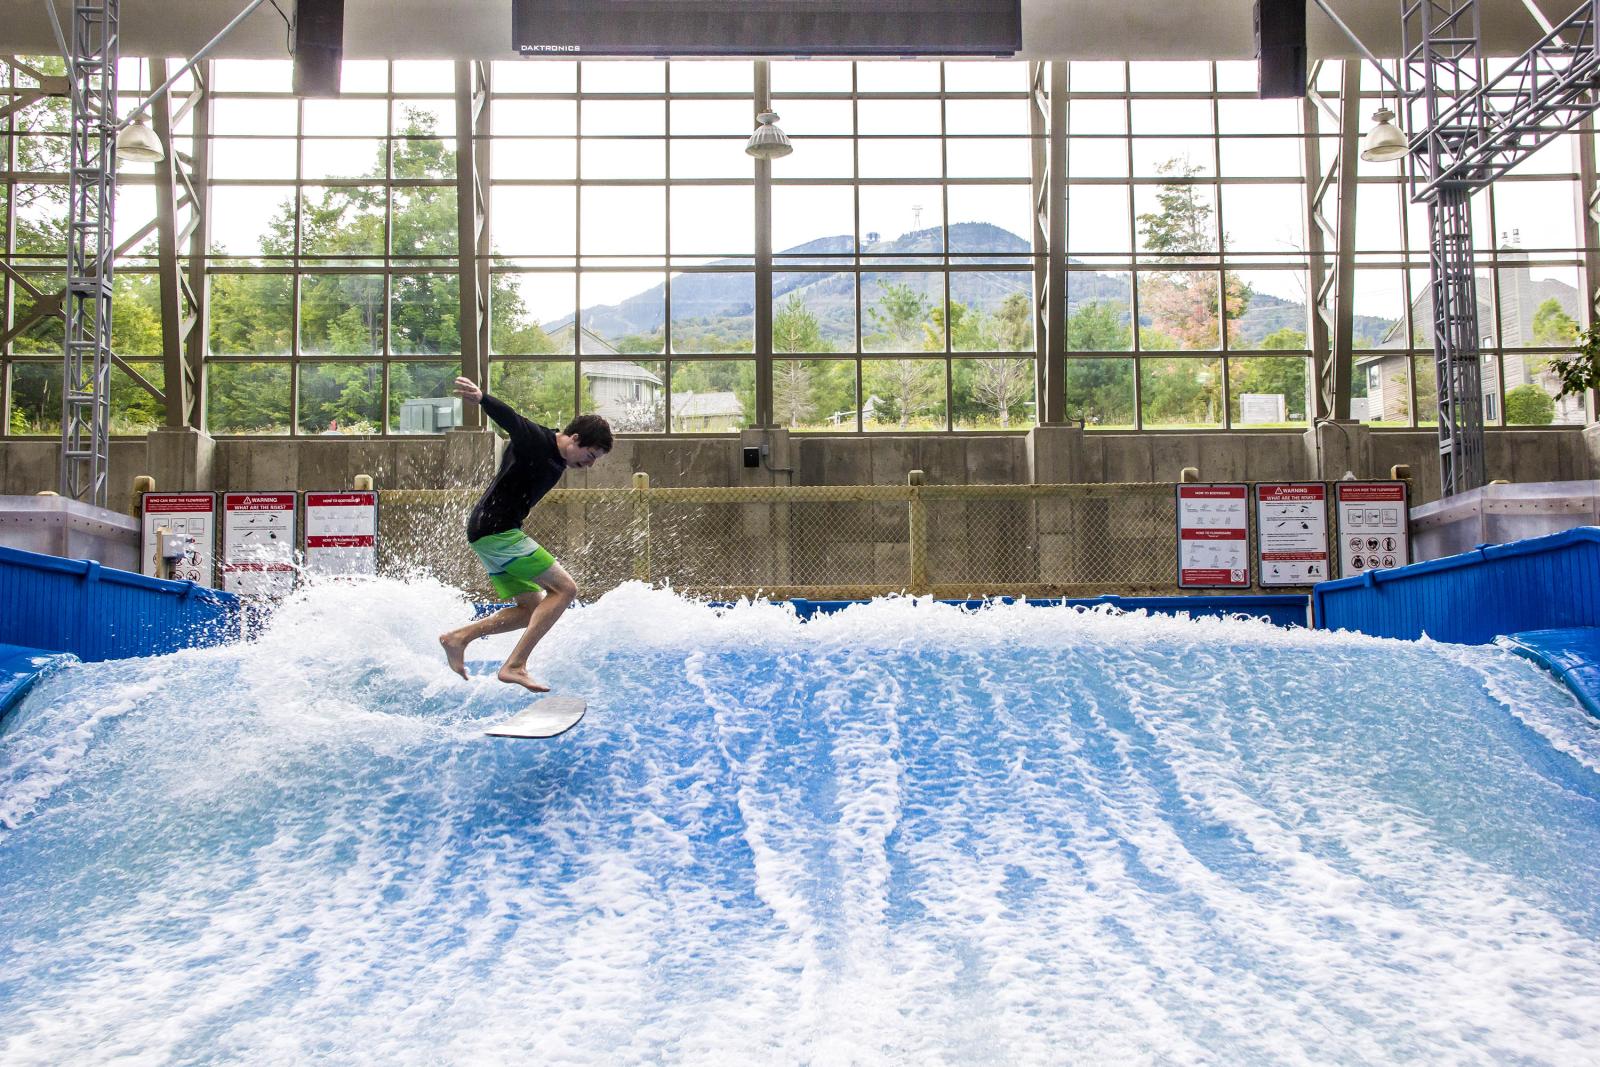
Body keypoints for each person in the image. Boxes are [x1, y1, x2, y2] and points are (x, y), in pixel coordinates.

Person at [438, 376, 612, 692]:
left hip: (488, 532)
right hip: (497, 531)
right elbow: (514, 420)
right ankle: (515, 665)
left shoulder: (559, 459)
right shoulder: (538, 440)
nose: (588, 465)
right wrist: (482, 399)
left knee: (531, 609)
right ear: (574, 439)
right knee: (565, 589)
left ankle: (459, 637)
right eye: (589, 456)